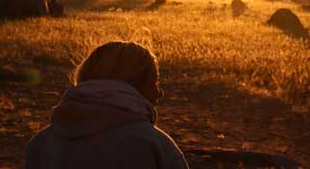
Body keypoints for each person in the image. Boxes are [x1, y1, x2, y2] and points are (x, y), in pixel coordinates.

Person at [26, 41, 189, 169]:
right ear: (135, 84)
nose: (159, 93)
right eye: (154, 82)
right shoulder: (155, 144)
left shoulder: (40, 144)